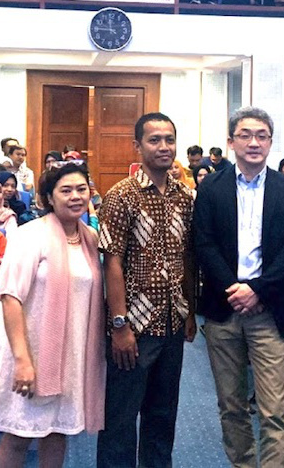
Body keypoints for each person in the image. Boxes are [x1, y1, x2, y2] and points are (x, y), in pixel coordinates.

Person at [191, 108, 284, 468]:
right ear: (231, 142)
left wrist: (257, 289)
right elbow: (203, 243)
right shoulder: (211, 187)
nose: (254, 142)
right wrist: (234, 288)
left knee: (274, 409)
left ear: (271, 142)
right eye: (245, 135)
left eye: (262, 135)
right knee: (231, 406)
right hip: (224, 309)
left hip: (270, 311)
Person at [0, 162, 106, 468]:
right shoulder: (30, 235)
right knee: (18, 435)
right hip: (30, 352)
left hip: (71, 355)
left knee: (57, 433)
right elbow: (10, 297)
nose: (75, 196)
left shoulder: (90, 238)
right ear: (49, 197)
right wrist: (23, 361)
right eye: (66, 190)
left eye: (81, 189)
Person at [96, 113, 197, 468]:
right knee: (120, 421)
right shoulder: (120, 195)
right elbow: (111, 262)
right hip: (134, 328)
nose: (164, 147)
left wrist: (190, 311)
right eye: (154, 140)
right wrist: (119, 325)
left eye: (169, 139)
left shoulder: (186, 197)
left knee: (162, 417)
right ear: (137, 146)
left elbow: (187, 256)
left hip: (172, 323)